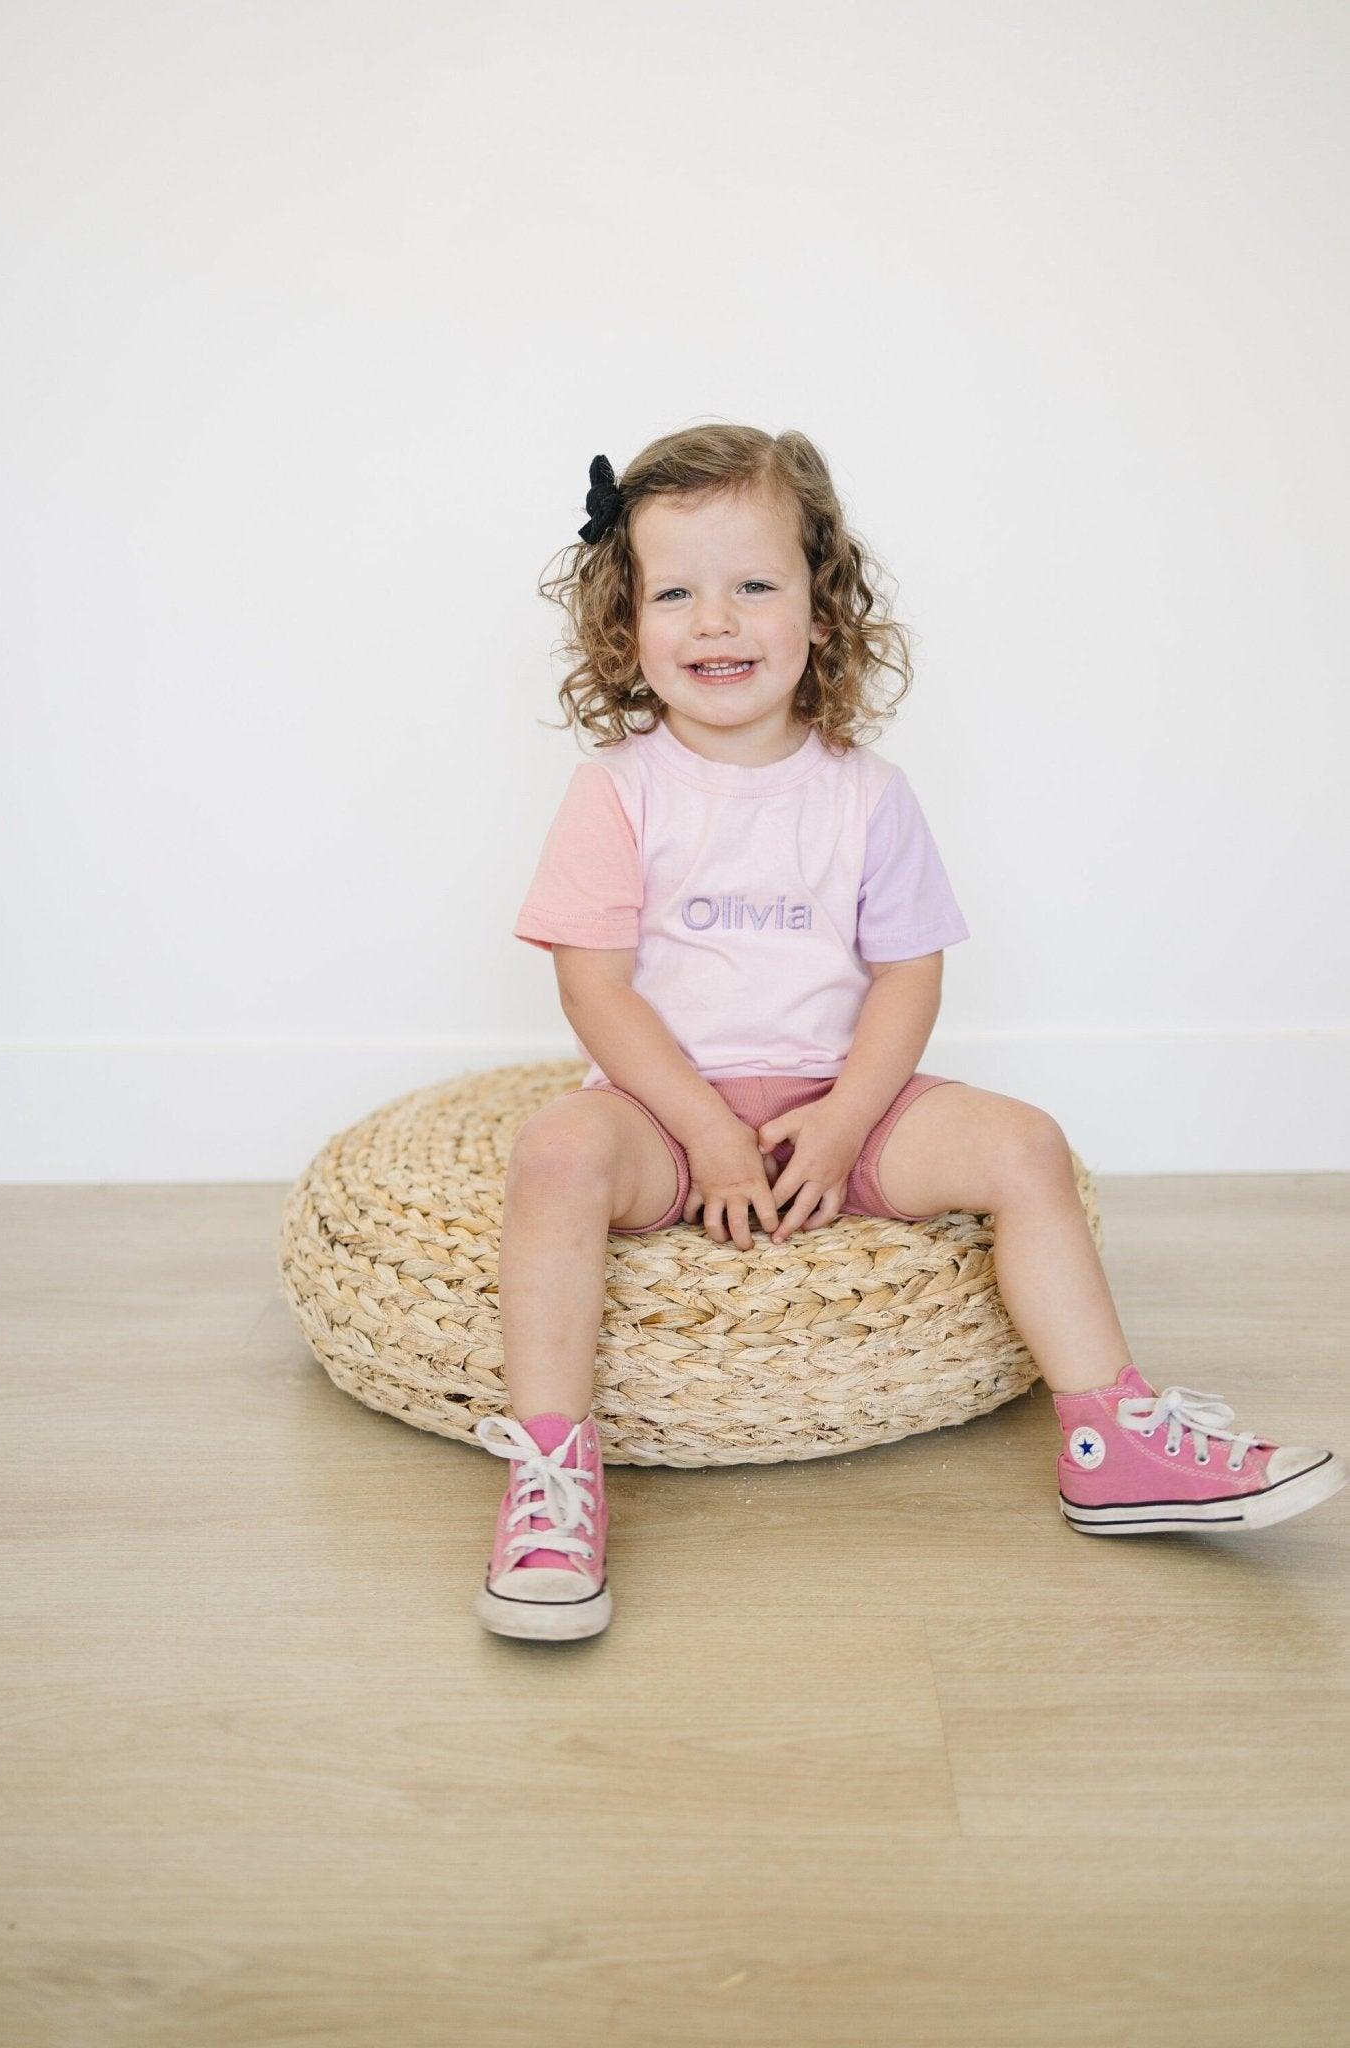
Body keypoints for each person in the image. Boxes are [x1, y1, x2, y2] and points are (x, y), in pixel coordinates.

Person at [473, 424, 1346, 1643]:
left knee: (1025, 1144)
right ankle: (554, 1481)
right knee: (555, 1156)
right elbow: (598, 992)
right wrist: (713, 1141)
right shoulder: (616, 789)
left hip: (847, 1093)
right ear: (627, 625)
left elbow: (907, 978)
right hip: (664, 1115)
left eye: (755, 586)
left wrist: (839, 1123)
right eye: (676, 592)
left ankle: (1112, 1439)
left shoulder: (866, 791)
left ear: (822, 611)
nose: (715, 621)